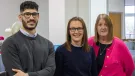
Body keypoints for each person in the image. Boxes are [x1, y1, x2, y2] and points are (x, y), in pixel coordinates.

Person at [1, 1, 55, 76]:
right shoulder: (9, 43)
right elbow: (16, 74)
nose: (31, 18)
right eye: (27, 14)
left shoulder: (48, 44)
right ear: (20, 17)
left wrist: (27, 75)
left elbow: (51, 70)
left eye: (34, 14)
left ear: (38, 16)